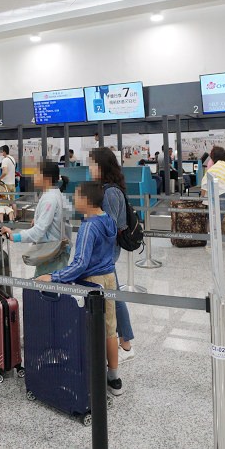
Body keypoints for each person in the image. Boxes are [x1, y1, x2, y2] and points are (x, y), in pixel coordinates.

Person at [34, 181, 121, 395]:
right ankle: (114, 378)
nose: (74, 200)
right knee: (110, 329)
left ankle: (91, 376)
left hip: (92, 282)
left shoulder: (89, 226)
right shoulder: (108, 220)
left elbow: (81, 263)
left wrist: (54, 277)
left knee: (91, 330)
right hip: (110, 278)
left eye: (77, 196)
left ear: (87, 200)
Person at [88, 147, 136, 362]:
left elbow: (110, 226)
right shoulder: (108, 189)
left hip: (106, 251)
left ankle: (126, 344)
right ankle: (123, 341)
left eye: (92, 164)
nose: (89, 168)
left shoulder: (110, 192)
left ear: (102, 166)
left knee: (114, 296)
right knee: (112, 293)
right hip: (105, 250)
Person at [1, 161, 70, 276]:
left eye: (37, 173)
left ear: (46, 178)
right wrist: (38, 219)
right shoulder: (53, 193)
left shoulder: (50, 198)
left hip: (52, 254)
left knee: (46, 290)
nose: (34, 176)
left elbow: (39, 231)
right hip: (53, 252)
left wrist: (15, 236)